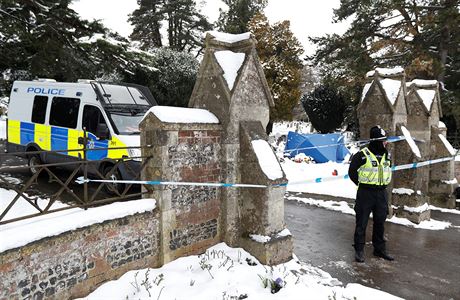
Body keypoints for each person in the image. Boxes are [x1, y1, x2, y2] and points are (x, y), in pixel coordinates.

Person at [348, 125, 394, 263]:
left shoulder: (387, 155)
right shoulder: (362, 155)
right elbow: (352, 173)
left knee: (380, 222)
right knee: (361, 223)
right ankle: (359, 250)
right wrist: (363, 185)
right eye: (383, 140)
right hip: (366, 194)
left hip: (381, 193)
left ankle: (379, 249)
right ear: (376, 141)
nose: (386, 143)